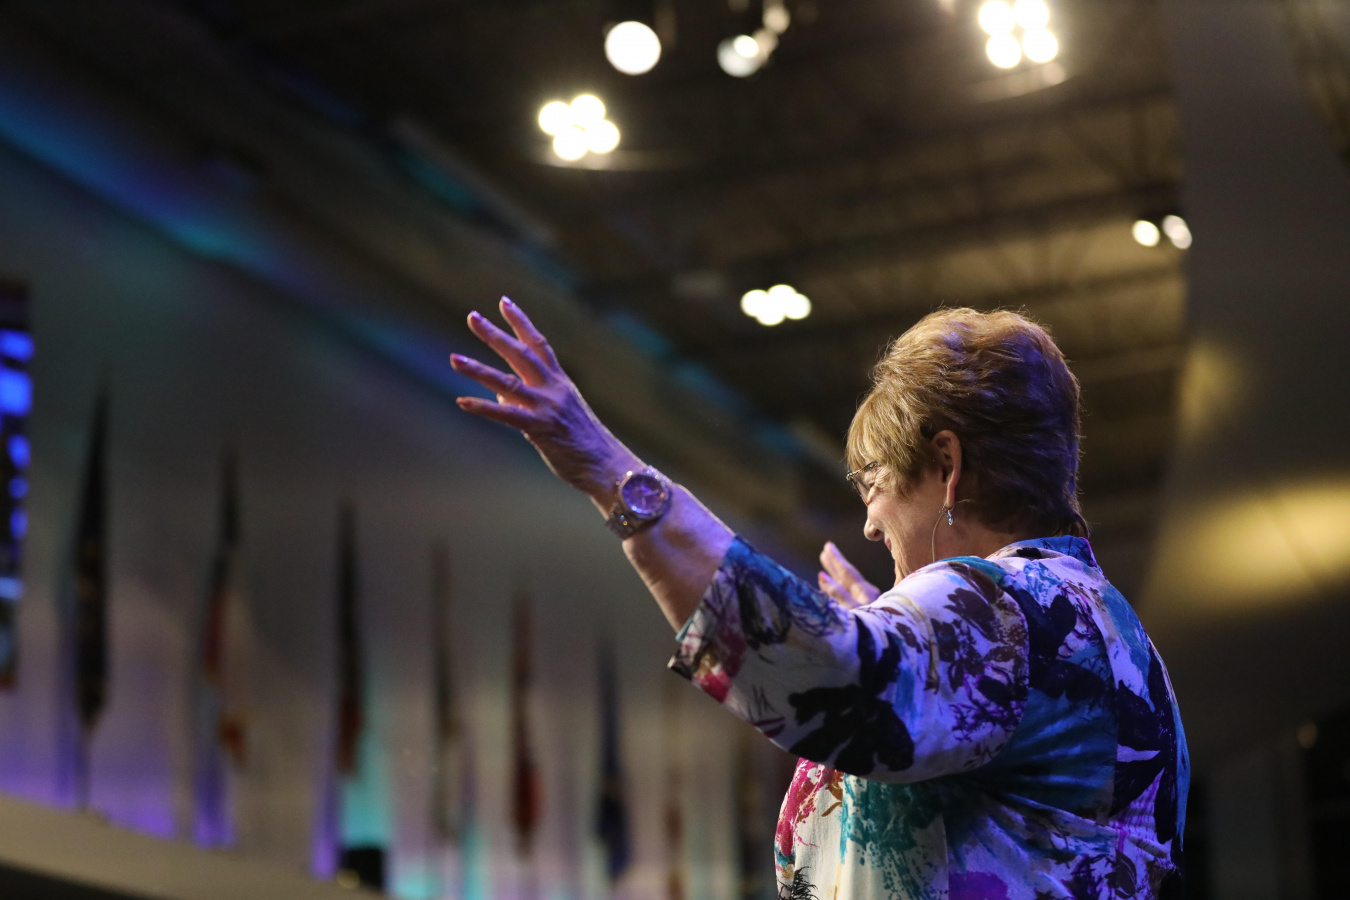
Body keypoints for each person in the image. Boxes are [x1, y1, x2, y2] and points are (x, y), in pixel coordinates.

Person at [451, 299, 1189, 900]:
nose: (869, 523)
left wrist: (608, 471)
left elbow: (827, 674)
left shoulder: (1005, 613)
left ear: (946, 465)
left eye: (875, 484)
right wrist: (911, 640)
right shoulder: (1109, 637)